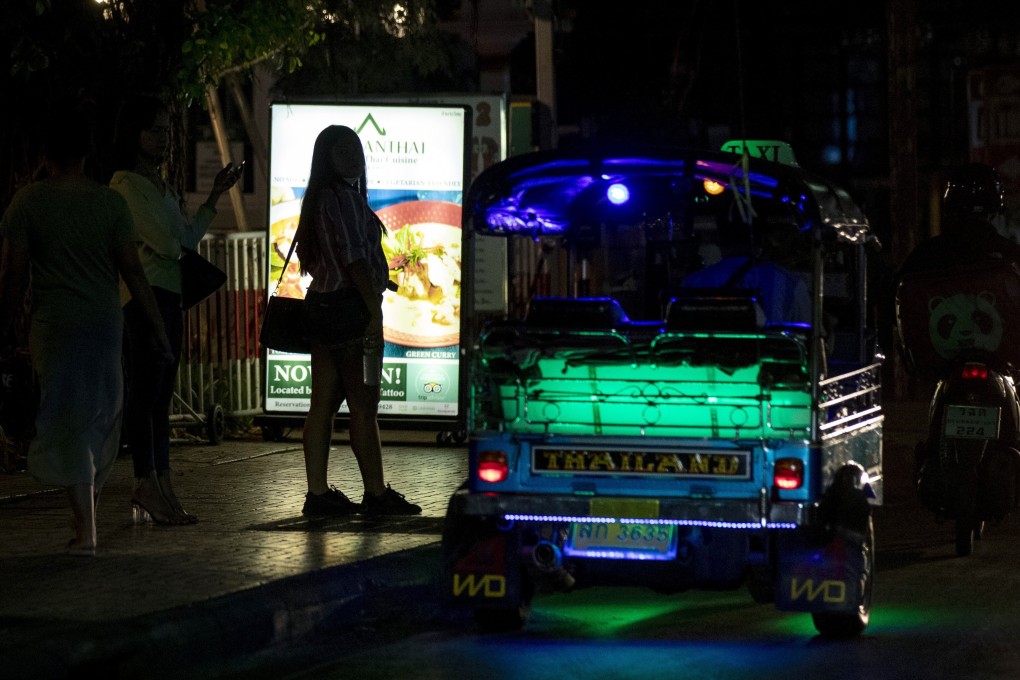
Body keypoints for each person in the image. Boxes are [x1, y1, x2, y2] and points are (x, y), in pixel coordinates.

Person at [0, 98, 172, 555]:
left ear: (45, 153)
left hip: (54, 327)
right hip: (104, 324)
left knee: (67, 419)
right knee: (100, 418)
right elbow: (135, 274)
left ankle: (85, 528)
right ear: (86, 152)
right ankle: (85, 523)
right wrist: (158, 329)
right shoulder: (108, 204)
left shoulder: (28, 203)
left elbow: (13, 277)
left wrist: (3, 331)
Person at [109, 94, 243, 525]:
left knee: (161, 396)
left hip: (170, 296)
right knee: (146, 393)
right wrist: (178, 237)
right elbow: (171, 243)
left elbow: (185, 237)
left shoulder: (161, 188)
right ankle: (146, 481)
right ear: (135, 134)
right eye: (157, 130)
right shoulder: (125, 186)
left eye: (169, 131)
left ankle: (162, 483)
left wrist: (214, 197)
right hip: (143, 299)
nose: (165, 139)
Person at [294, 125, 421, 517]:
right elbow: (354, 260)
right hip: (352, 310)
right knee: (364, 407)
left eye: (355, 148)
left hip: (322, 308)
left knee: (322, 406)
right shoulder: (346, 200)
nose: (353, 156)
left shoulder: (318, 200)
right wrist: (373, 309)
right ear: (326, 157)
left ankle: (317, 494)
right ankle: (376, 494)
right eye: (342, 150)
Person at [898, 162, 1020, 277]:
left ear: (949, 206)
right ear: (996, 209)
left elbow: (897, 293)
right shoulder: (1012, 255)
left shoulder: (924, 255)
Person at [681, 218, 811, 325]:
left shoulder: (693, 282)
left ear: (720, 241)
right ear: (763, 242)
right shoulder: (789, 282)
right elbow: (808, 335)